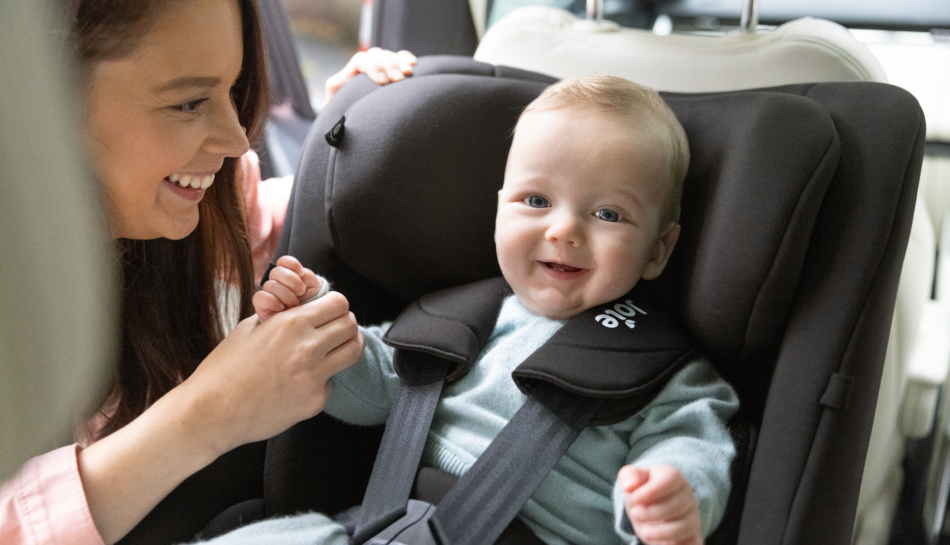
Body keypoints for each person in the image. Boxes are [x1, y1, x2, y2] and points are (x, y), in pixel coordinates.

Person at [218, 75, 739, 545]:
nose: (563, 231)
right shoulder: (456, 325)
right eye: (536, 201)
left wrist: (673, 492)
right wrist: (314, 319)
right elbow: (368, 387)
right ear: (499, 209)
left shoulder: (667, 373)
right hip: (394, 526)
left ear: (656, 251)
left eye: (607, 214)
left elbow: (695, 446)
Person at [0, 0, 416, 543]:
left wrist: (354, 132)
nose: (236, 139)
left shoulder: (200, 201)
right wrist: (209, 412)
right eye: (189, 102)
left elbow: (273, 225)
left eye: (233, 89)